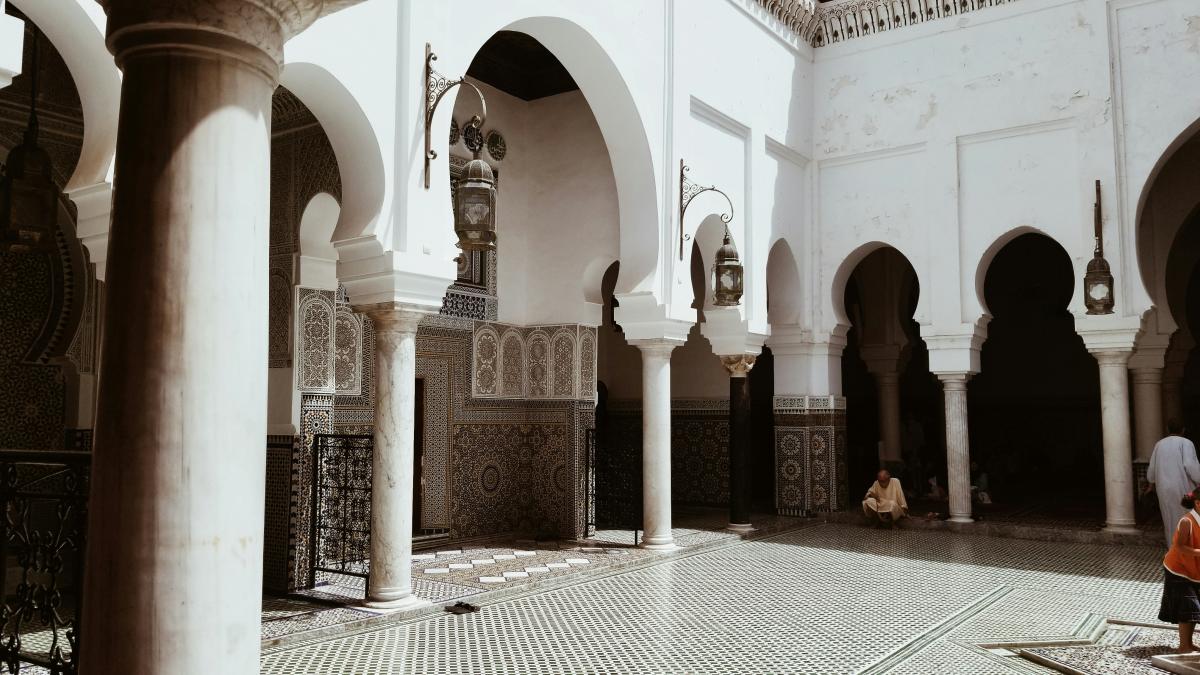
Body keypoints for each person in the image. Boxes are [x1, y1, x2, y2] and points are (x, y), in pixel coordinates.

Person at [1160, 489, 1200, 653]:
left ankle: (1188, 644)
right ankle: (1184, 646)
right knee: (1189, 607)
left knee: (1194, 610)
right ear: (1197, 503)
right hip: (1178, 570)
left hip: (1194, 570)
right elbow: (1179, 546)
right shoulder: (1186, 521)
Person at [1148, 420, 1200, 546]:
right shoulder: (1186, 443)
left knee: (1169, 519)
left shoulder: (1159, 444)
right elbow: (1190, 465)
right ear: (1183, 430)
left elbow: (1152, 469)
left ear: (1167, 429)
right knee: (1187, 518)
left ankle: (1174, 550)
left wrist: (1151, 482)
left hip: (1163, 489)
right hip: (1183, 488)